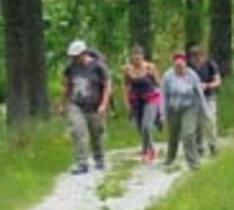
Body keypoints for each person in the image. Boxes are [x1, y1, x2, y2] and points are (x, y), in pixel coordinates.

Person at [60, 40, 110, 173]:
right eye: (72, 57)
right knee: (78, 132)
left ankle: (99, 158)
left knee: (96, 134)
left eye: (76, 56)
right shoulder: (70, 68)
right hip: (76, 105)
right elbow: (67, 87)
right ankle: (82, 162)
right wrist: (62, 104)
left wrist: (104, 104)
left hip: (95, 106)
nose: (74, 59)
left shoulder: (98, 66)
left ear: (84, 54)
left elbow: (106, 85)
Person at [160, 51, 208, 169]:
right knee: (173, 134)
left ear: (185, 64)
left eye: (181, 66)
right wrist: (162, 113)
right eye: (177, 66)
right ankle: (170, 157)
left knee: (188, 134)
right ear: (173, 65)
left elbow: (200, 94)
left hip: (189, 107)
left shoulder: (192, 75)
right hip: (173, 108)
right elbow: (163, 95)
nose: (179, 68)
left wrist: (204, 111)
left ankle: (193, 161)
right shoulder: (168, 76)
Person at [122, 47, 161, 163]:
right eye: (134, 58)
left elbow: (158, 83)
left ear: (143, 57)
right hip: (136, 101)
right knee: (140, 127)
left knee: (146, 126)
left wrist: (162, 101)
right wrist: (126, 103)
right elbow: (125, 87)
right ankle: (149, 148)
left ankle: (147, 152)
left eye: (138, 58)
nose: (136, 60)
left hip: (150, 98)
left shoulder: (150, 67)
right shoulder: (127, 69)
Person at [190, 44, 223, 159]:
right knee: (197, 124)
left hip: (208, 97)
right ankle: (199, 147)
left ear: (203, 56)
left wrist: (207, 85)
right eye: (194, 57)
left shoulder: (210, 64)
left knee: (210, 120)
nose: (197, 60)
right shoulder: (188, 67)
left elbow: (218, 81)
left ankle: (213, 145)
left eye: (199, 57)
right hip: (193, 98)